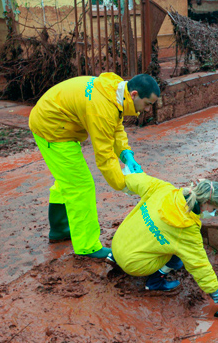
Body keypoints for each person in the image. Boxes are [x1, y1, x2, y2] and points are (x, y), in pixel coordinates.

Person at [29, 73, 160, 258]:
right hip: (51, 127)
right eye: (147, 103)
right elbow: (104, 156)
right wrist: (125, 184)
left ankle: (59, 230)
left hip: (60, 120)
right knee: (80, 186)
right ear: (134, 94)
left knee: (68, 178)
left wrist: (126, 154)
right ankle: (87, 246)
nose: (147, 109)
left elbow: (115, 127)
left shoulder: (115, 90)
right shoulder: (102, 107)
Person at [110, 173, 218, 318]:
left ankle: (114, 256)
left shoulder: (164, 189)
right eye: (213, 208)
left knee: (151, 230)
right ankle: (155, 282)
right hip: (132, 264)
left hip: (118, 242)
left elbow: (134, 180)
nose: (213, 213)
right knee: (179, 256)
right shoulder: (187, 230)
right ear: (206, 204)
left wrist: (127, 170)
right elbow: (200, 266)